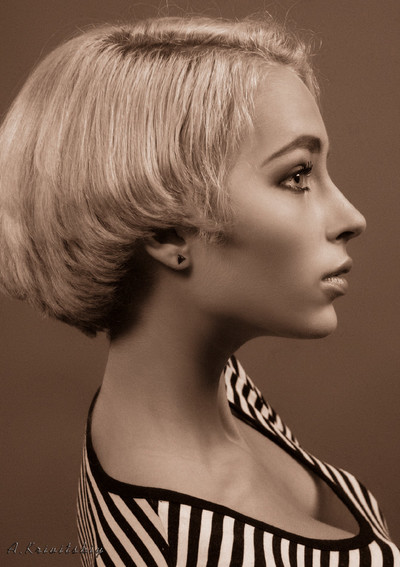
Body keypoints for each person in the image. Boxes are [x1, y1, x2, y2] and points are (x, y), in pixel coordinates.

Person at [0, 14, 399, 567]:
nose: (352, 217)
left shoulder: (209, 388)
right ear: (166, 230)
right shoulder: (185, 547)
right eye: (297, 176)